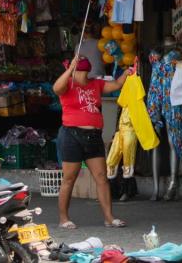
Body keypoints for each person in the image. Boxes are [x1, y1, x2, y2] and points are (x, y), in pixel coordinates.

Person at [53, 55, 132, 229]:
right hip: (72, 135)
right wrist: (69, 70)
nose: (83, 74)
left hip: (94, 136)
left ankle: (109, 218)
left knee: (102, 177)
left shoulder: (96, 83)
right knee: (69, 179)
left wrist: (127, 73)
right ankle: (63, 218)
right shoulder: (67, 84)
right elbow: (56, 88)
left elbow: (116, 85)